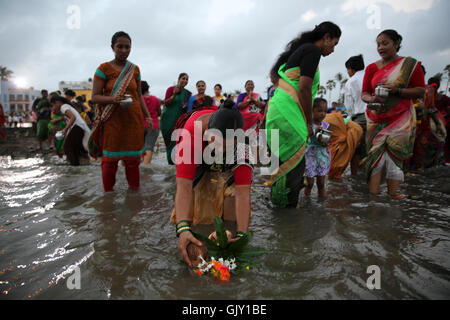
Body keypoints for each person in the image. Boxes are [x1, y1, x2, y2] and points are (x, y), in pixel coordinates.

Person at [265, 21, 341, 208]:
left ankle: (276, 211)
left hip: (277, 113)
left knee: (278, 164)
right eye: (334, 43)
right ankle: (288, 221)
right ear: (326, 37)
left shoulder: (298, 51)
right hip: (289, 115)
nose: (333, 49)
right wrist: (308, 123)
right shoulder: (312, 51)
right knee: (293, 168)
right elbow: (305, 88)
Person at [170, 99, 253, 267]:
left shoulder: (242, 145)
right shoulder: (190, 136)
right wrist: (183, 229)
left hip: (228, 158)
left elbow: (243, 193)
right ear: (207, 133)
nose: (220, 151)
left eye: (227, 147)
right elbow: (184, 187)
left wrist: (242, 235)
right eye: (216, 144)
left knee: (232, 196)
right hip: (198, 155)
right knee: (196, 211)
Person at [361, 29, 426, 199]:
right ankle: (374, 195)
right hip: (376, 119)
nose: (380, 48)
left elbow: (420, 91)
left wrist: (397, 90)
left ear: (396, 44)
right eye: (378, 45)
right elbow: (364, 93)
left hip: (400, 118)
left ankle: (393, 193)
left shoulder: (410, 65)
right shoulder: (371, 68)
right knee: (375, 156)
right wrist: (371, 99)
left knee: (395, 155)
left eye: (385, 43)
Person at [91, 31, 153, 192]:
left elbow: (138, 95)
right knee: (110, 162)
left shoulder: (135, 69)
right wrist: (113, 99)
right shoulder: (103, 69)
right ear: (113, 47)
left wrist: (148, 117)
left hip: (134, 121)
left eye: (127, 47)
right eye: (120, 46)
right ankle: (108, 197)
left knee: (133, 162)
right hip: (112, 122)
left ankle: (134, 196)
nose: (124, 50)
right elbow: (95, 97)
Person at [410, 77, 447, 171]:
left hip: (423, 126)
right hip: (408, 125)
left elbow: (431, 108)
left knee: (421, 149)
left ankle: (417, 171)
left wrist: (438, 124)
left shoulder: (429, 91)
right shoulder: (405, 88)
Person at [325, 106, 363, 180]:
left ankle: (337, 186)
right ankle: (354, 177)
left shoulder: (319, 122)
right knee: (351, 155)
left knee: (337, 165)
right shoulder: (322, 118)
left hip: (353, 130)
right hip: (354, 129)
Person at [50, 96, 91, 165]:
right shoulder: (66, 106)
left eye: (53, 105)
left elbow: (73, 117)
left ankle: (74, 166)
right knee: (78, 148)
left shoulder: (63, 107)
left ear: (57, 102)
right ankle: (84, 164)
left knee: (67, 147)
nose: (54, 107)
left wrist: (65, 129)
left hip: (77, 127)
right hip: (80, 127)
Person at [344, 54, 368, 175]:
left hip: (359, 117)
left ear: (351, 69)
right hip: (374, 116)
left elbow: (349, 106)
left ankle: (354, 175)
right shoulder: (371, 76)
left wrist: (348, 117)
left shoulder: (351, 81)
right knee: (371, 147)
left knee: (355, 148)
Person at [161, 73, 191, 165]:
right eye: (183, 78)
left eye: (186, 79)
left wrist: (185, 106)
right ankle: (170, 164)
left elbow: (188, 108)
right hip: (167, 120)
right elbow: (166, 103)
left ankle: (176, 164)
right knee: (168, 141)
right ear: (178, 79)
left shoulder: (188, 93)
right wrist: (174, 94)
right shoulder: (171, 89)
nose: (185, 81)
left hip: (179, 121)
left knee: (177, 141)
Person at [304, 98, 331, 197]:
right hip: (310, 155)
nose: (323, 114)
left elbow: (329, 140)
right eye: (320, 111)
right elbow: (306, 139)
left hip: (322, 155)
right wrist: (314, 132)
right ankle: (307, 200)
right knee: (310, 183)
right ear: (312, 111)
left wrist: (327, 143)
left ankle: (322, 204)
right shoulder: (309, 125)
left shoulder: (326, 125)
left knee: (321, 183)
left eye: (325, 111)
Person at [141, 80, 161, 166]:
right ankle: (146, 169)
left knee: (140, 148)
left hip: (140, 126)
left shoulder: (138, 100)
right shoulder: (156, 99)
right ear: (148, 88)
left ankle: (141, 168)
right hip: (153, 126)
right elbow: (159, 113)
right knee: (149, 147)